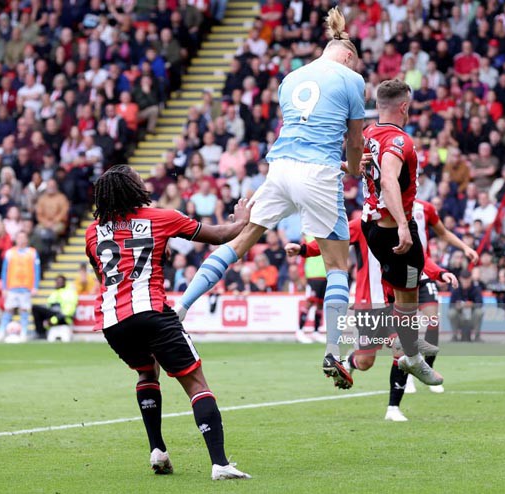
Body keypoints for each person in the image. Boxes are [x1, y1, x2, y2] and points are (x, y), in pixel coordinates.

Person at [174, 8, 365, 388]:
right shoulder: (352, 78)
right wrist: (355, 169)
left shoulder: (290, 78)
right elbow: (354, 139)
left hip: (279, 169)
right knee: (338, 265)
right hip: (318, 172)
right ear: (347, 55)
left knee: (240, 240)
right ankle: (331, 349)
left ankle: (179, 310)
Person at [85, 165, 252, 480]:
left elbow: (103, 277)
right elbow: (219, 236)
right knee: (196, 383)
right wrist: (242, 219)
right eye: (137, 178)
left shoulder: (92, 231)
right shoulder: (161, 217)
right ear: (132, 189)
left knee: (147, 371)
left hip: (114, 321)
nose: (142, 180)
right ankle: (220, 464)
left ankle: (158, 450)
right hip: (152, 312)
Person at [285, 217, 458, 419]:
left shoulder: (402, 225)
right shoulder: (361, 224)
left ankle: (393, 408)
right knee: (366, 362)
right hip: (368, 304)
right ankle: (350, 360)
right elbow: (335, 240)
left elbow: (419, 257)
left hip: (394, 300)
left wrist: (439, 273)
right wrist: (304, 250)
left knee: (400, 350)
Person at [361, 78, 442, 386]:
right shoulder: (400, 141)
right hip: (394, 227)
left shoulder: (369, 133)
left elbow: (361, 167)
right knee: (408, 295)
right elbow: (388, 182)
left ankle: (408, 346)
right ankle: (411, 356)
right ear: (404, 107)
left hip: (373, 225)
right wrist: (404, 228)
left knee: (404, 291)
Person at [404, 198, 478, 393]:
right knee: (407, 327)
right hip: (401, 274)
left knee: (433, 322)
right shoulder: (388, 204)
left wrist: (465, 247)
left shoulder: (425, 208)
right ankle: (407, 374)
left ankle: (428, 369)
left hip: (425, 271)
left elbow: (443, 232)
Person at [0, 231, 41, 341]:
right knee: (8, 310)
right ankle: (1, 332)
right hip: (12, 286)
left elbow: (37, 270)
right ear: (16, 239)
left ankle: (23, 333)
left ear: (27, 239)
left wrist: (35, 286)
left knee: (24, 310)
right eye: (19, 237)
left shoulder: (32, 252)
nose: (21, 240)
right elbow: (5, 270)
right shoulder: (10, 253)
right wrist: (4, 287)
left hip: (26, 287)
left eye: (23, 237)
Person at [31, 275, 78, 339]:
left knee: (37, 309)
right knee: (35, 308)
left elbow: (69, 311)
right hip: (54, 315)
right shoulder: (54, 293)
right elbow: (49, 307)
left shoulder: (69, 293)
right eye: (57, 282)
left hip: (64, 318)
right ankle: (41, 334)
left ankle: (42, 333)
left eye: (60, 282)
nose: (58, 283)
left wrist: (54, 320)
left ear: (64, 282)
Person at [448, 270, 484, 342]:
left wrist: (472, 305)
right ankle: (454, 336)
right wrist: (457, 306)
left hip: (472, 318)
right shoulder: (455, 289)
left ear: (470, 278)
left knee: (479, 312)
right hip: (460, 318)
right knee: (451, 313)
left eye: (467, 280)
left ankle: (477, 337)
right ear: (460, 279)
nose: (465, 282)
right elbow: (450, 305)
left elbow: (480, 303)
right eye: (464, 280)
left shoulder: (476, 289)